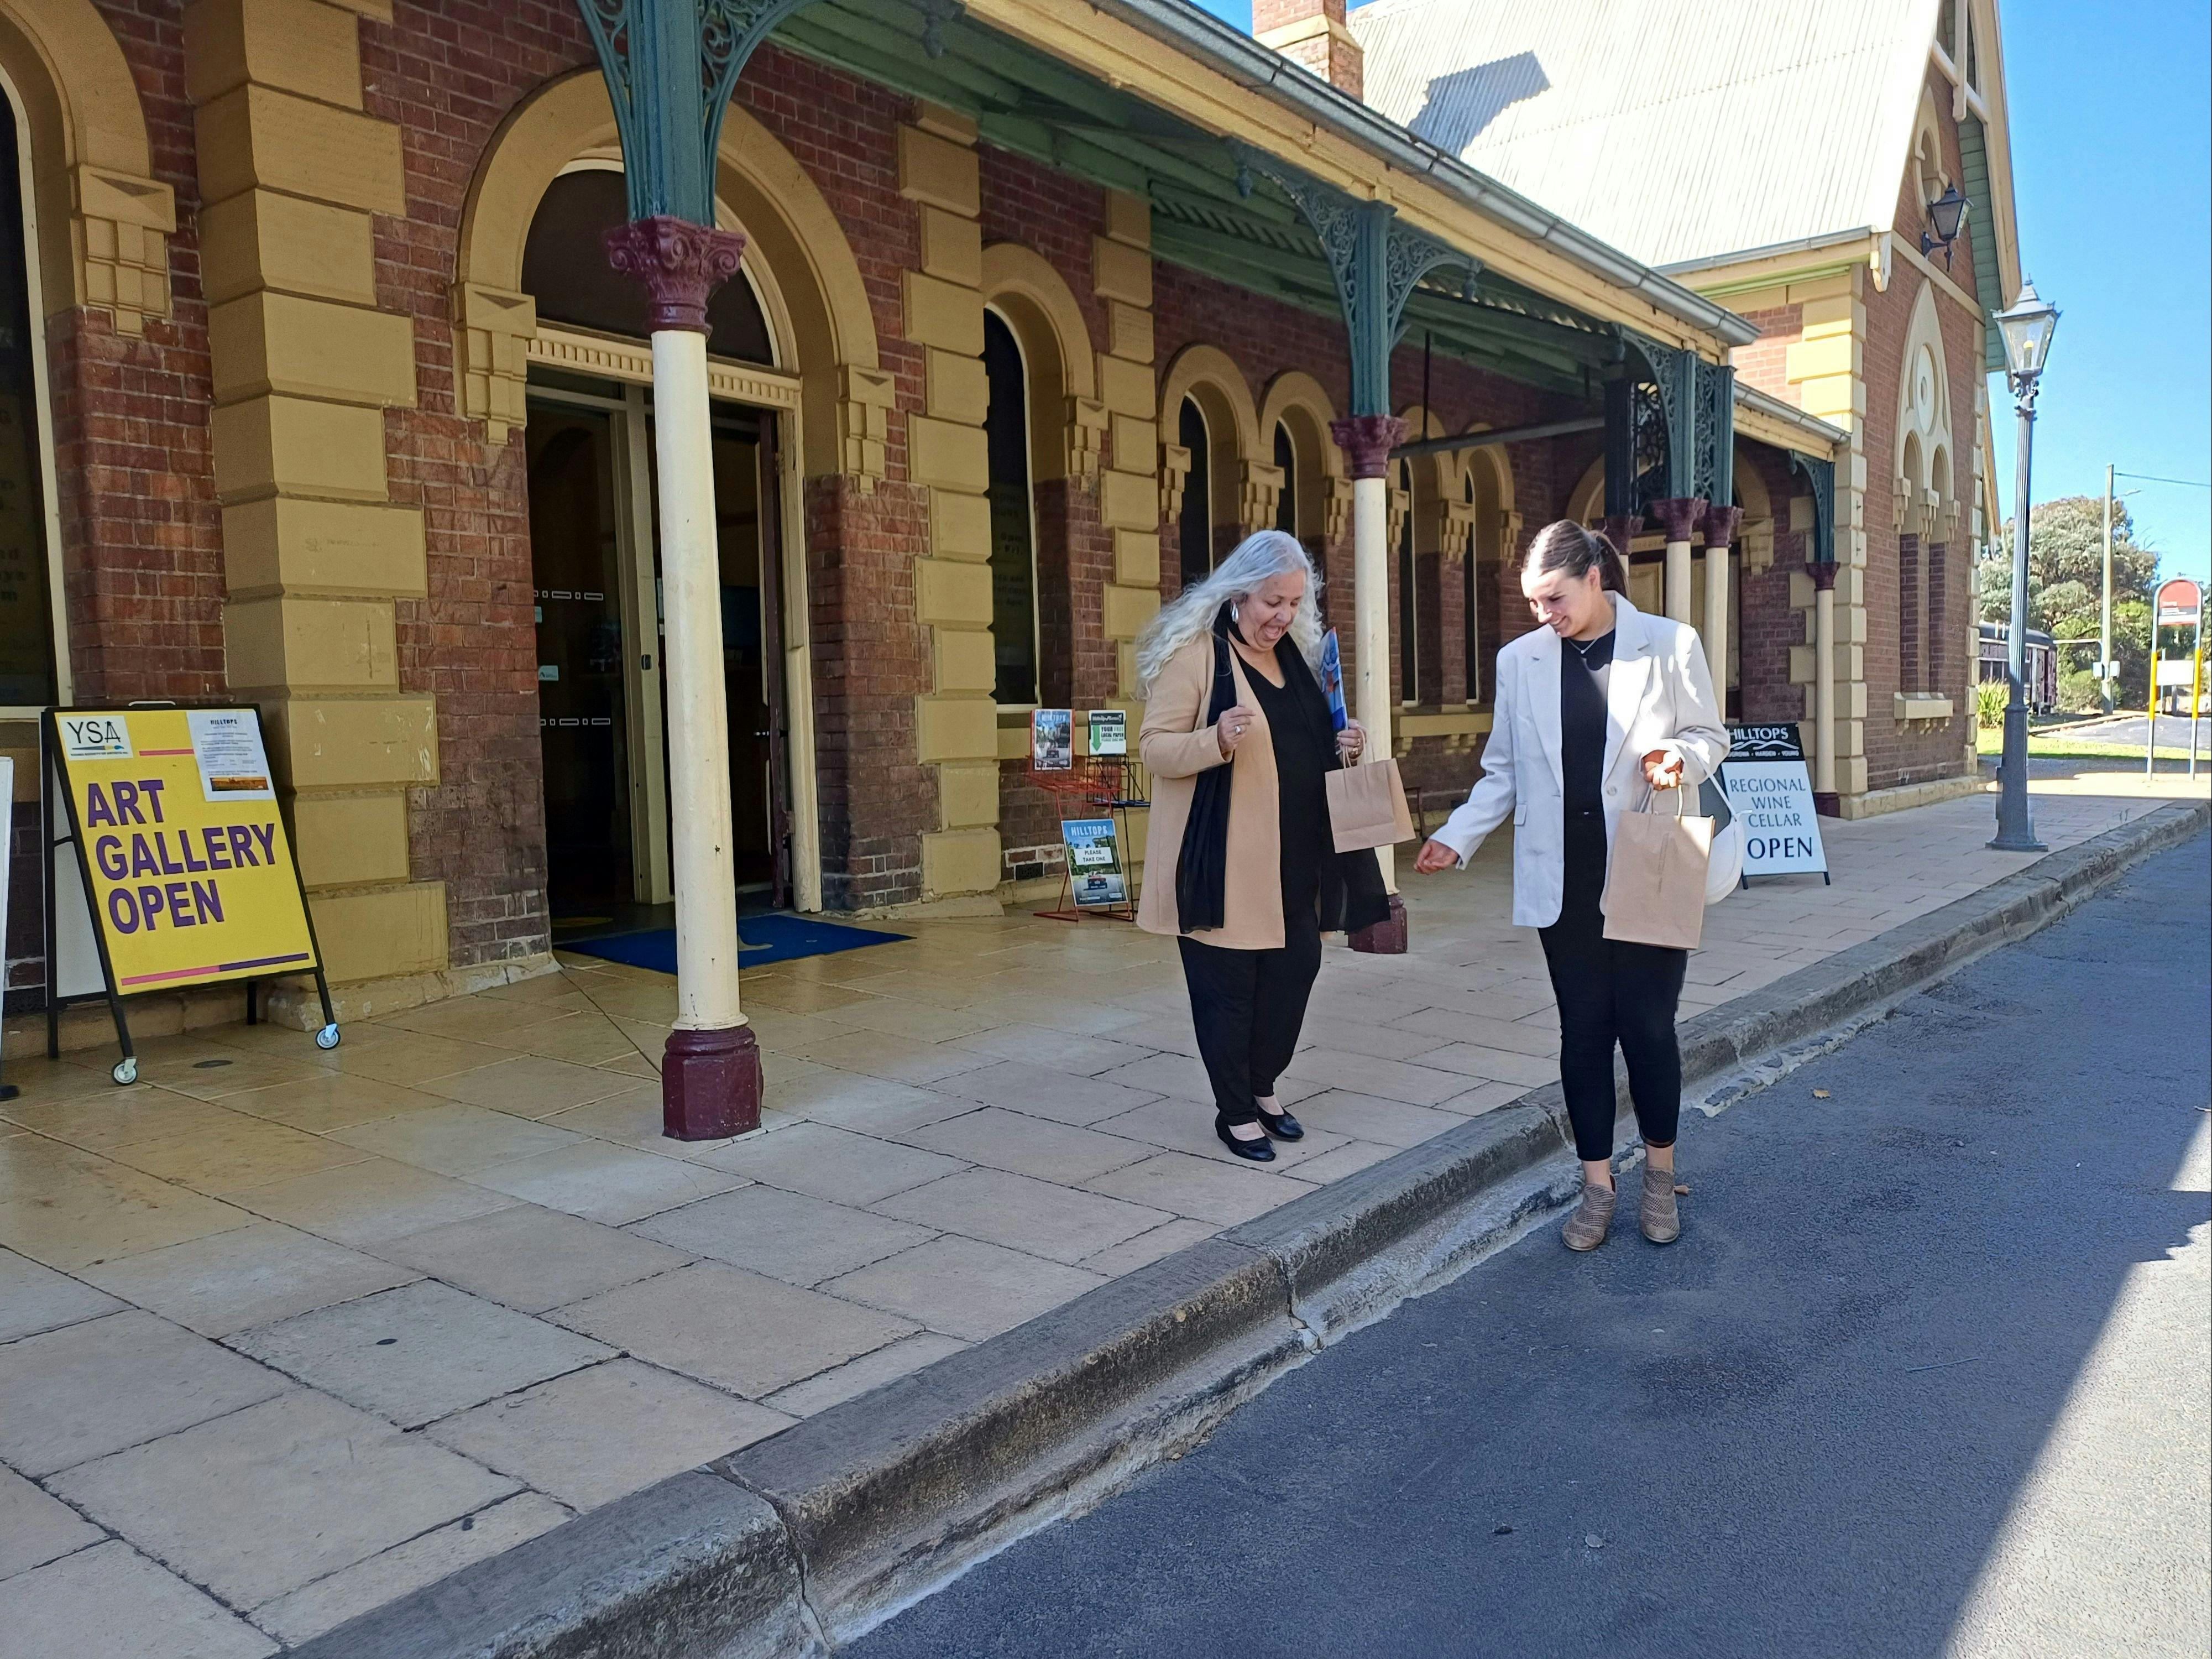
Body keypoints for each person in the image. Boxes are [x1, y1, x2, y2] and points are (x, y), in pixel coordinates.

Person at [1413, 520, 1726, 1248]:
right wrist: (1456, 836)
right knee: (1584, 1032)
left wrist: (1675, 757)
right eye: (1532, 603)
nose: (1542, 615)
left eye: (1553, 599)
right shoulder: (1520, 660)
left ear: (1594, 578)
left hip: (1647, 863)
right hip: (1564, 877)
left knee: (1646, 1028)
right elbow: (1504, 771)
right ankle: (1595, 1184)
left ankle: (1657, 1173)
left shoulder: (1671, 644)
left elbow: (1712, 736)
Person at [1135, 530, 1391, 1163]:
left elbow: (1302, 744)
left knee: (1293, 974)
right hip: (1221, 865)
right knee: (1229, 991)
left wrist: (1344, 743)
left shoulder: (1297, 660)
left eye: (1293, 603)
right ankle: (1236, 1111)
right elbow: (1153, 749)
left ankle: (1263, 1085)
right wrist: (1213, 739)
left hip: (1295, 861)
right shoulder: (1198, 656)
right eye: (1272, 602)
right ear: (1237, 593)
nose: (1283, 616)